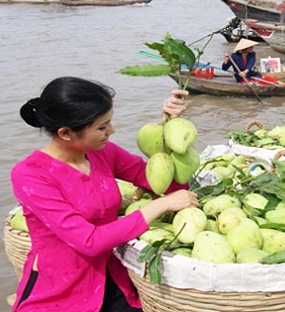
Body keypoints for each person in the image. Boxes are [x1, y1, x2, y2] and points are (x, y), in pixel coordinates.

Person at [11, 77, 199, 311]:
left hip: (113, 276)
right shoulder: (31, 175)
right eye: (102, 127)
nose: (112, 130)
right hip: (62, 288)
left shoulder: (102, 152)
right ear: (66, 133)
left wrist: (169, 132)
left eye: (109, 122)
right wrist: (160, 206)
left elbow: (168, 186)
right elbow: (88, 242)